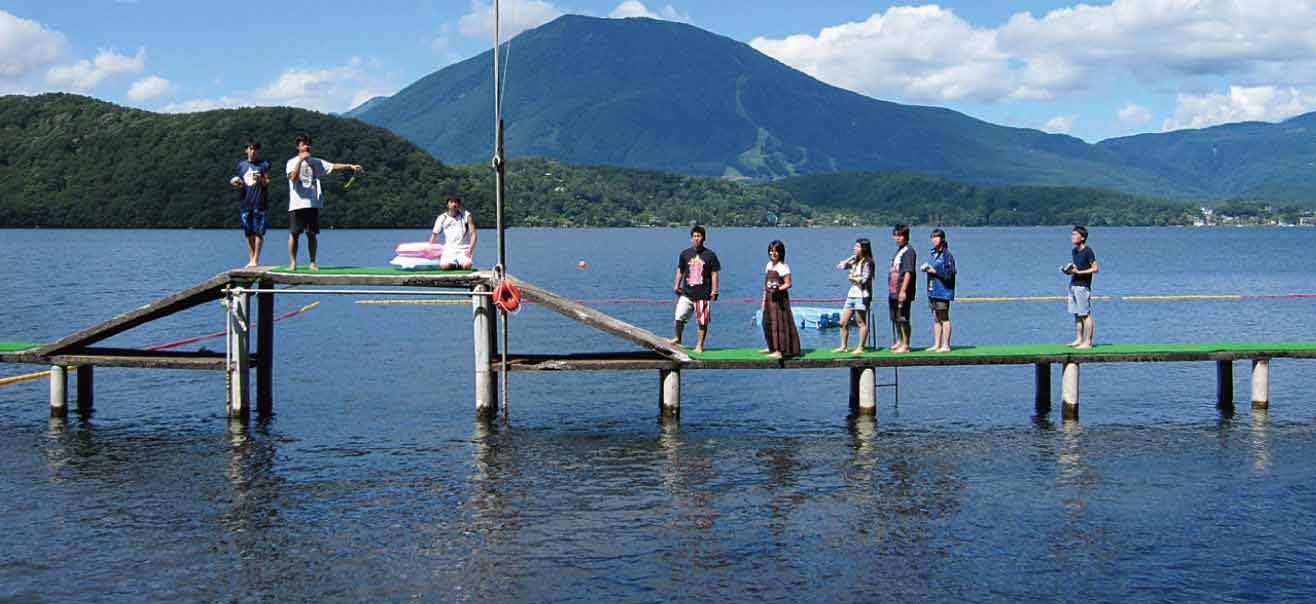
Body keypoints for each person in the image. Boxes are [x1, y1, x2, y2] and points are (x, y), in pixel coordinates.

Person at [285, 133, 363, 271]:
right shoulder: (291, 162)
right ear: (298, 146)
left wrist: (350, 166)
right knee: (294, 234)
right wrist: (300, 161)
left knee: (311, 234)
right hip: (297, 204)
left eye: (309, 144)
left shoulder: (317, 162)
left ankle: (312, 262)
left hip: (313, 203)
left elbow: (333, 166)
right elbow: (292, 177)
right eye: (303, 144)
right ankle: (293, 263)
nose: (307, 146)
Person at [668, 225, 720, 353]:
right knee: (678, 317)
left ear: (704, 238)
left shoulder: (710, 255)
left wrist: (714, 290)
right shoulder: (685, 254)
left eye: (699, 236)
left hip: (703, 294)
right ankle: (678, 338)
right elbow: (680, 270)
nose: (696, 239)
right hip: (686, 293)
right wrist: (676, 285)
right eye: (694, 236)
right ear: (691, 238)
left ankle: (699, 346)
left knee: (702, 322)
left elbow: (714, 273)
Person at [232, 139, 269, 268]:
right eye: (250, 148)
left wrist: (260, 180)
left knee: (258, 231)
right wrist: (238, 184)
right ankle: (251, 258)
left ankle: (256, 259)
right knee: (248, 232)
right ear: (246, 150)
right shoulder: (241, 165)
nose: (253, 151)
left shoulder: (263, 165)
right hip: (245, 202)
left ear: (258, 151)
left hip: (259, 201)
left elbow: (267, 182)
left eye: (255, 149)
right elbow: (241, 182)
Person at [759, 240, 800, 359]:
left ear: (781, 253)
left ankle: (779, 350)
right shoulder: (768, 265)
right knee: (766, 322)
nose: (773, 253)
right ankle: (771, 346)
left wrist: (778, 288)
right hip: (768, 298)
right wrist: (763, 300)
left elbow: (789, 283)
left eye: (776, 251)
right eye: (771, 251)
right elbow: (766, 285)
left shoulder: (783, 267)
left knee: (778, 324)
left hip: (779, 300)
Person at [834, 238, 874, 354]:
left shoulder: (868, 262)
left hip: (862, 295)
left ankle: (860, 347)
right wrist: (851, 257)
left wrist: (853, 278)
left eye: (857, 247)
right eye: (855, 246)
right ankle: (843, 346)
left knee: (861, 322)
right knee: (842, 322)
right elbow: (841, 266)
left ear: (864, 248)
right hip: (851, 294)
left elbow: (865, 279)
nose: (854, 248)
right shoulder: (855, 261)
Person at [1063, 225, 1099, 349]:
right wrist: (1069, 271)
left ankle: (1088, 342)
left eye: (1075, 234)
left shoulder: (1088, 251)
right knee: (1076, 314)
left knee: (1085, 314)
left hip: (1083, 286)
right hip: (1073, 284)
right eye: (1072, 234)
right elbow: (1076, 268)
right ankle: (1079, 339)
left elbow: (1095, 268)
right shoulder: (1074, 251)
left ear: (1082, 237)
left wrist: (1080, 273)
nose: (1072, 237)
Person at [922, 228, 957, 352]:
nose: (934, 239)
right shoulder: (933, 253)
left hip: (943, 291)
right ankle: (937, 344)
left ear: (942, 239)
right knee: (936, 318)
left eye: (937, 237)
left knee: (944, 317)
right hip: (933, 289)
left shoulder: (947, 255)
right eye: (933, 237)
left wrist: (935, 271)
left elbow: (950, 273)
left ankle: (946, 345)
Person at [888, 224, 917, 353]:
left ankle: (906, 344)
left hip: (902, 290)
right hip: (893, 289)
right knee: (895, 317)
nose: (897, 238)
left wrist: (903, 291)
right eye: (896, 236)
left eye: (900, 236)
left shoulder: (909, 252)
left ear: (906, 237)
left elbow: (908, 272)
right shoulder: (898, 251)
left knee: (903, 317)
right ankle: (899, 340)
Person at [427, 196, 477, 269]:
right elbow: (434, 236)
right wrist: (430, 251)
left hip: (464, 249)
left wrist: (470, 249)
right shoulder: (442, 218)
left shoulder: (466, 216)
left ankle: (460, 264)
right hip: (448, 249)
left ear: (459, 204)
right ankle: (455, 265)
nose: (454, 204)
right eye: (451, 202)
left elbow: (473, 234)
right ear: (447, 204)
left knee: (467, 265)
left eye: (456, 202)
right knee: (445, 266)